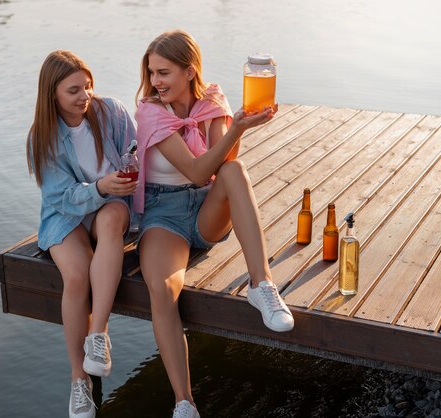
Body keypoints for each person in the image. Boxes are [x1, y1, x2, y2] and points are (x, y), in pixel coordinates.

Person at [134, 30, 295, 418]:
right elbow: (194, 170)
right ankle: (185, 403)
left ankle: (262, 285)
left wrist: (233, 126)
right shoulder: (150, 111)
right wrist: (238, 127)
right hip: (164, 215)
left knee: (236, 170)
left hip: (206, 211)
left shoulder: (211, 101)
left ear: (190, 72)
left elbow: (221, 167)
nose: (156, 82)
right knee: (162, 288)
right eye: (152, 73)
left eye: (164, 72)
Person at [26, 50, 137, 418]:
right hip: (66, 213)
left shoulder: (112, 113)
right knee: (76, 276)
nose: (84, 95)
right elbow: (61, 197)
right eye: (73, 90)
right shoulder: (43, 138)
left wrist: (126, 171)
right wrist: (100, 187)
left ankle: (98, 336)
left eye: (88, 85)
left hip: (110, 206)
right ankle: (79, 380)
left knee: (109, 224)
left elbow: (137, 153)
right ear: (52, 94)